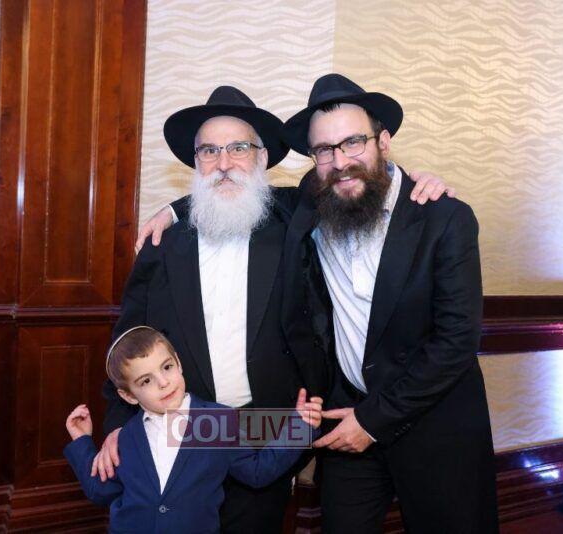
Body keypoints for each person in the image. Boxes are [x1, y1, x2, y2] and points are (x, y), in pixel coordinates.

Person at [102, 85, 452, 533]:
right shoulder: (162, 243)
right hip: (181, 431)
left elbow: (352, 178)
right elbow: (128, 338)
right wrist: (118, 424)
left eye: (238, 148)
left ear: (263, 158)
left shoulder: (294, 224)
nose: (223, 163)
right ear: (195, 162)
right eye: (209, 151)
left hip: (263, 429)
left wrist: (417, 184)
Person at [278, 73, 499, 533]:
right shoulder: (312, 203)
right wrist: (174, 212)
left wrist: (373, 420)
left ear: (383, 141)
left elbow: (457, 341)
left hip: (435, 422)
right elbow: (240, 194)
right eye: (324, 150)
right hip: (347, 417)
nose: (340, 162)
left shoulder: (444, 218)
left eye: (353, 142)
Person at [64, 326, 323, 533]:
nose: (163, 383)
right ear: (129, 395)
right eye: (146, 381)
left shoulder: (215, 422)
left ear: (178, 362)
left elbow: (257, 471)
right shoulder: (126, 436)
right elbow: (101, 491)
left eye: (167, 367)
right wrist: (81, 440)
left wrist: (300, 427)